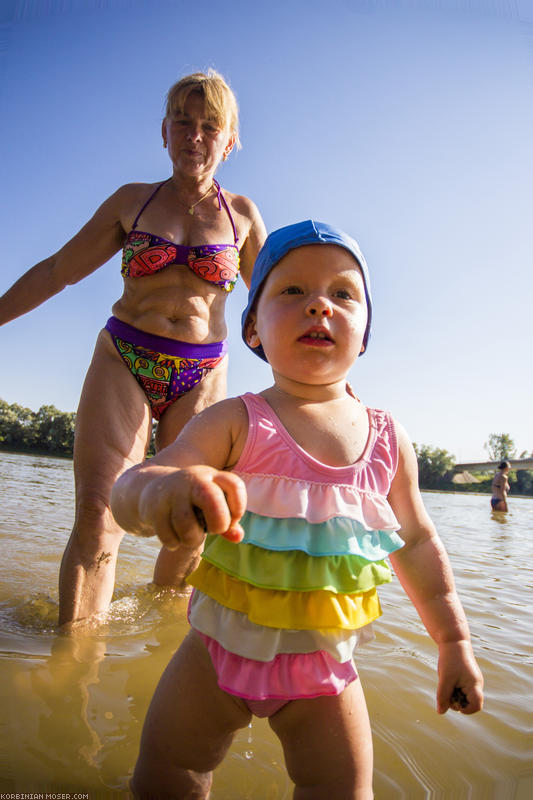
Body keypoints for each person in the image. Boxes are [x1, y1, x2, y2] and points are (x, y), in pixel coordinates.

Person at [111, 221, 484, 799]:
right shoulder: (236, 419)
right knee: (167, 774)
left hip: (325, 672)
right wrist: (161, 492)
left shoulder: (389, 441)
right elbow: (141, 478)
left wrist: (454, 643)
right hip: (212, 654)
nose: (319, 307)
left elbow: (416, 542)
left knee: (343, 790)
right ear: (254, 327)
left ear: (364, 334)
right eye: (292, 292)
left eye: (343, 294)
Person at [0, 70, 267, 627]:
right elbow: (57, 270)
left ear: (230, 140)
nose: (195, 135)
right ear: (164, 132)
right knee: (99, 517)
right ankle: (70, 671)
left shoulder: (242, 215)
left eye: (209, 126)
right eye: (183, 122)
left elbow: (272, 305)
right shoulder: (132, 202)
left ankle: (160, 634)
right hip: (124, 358)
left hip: (201, 373)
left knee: (191, 524)